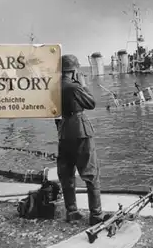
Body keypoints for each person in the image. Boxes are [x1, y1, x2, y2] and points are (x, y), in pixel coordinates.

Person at [55, 54, 106, 225]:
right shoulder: (74, 87)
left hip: (63, 132)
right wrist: (83, 86)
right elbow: (91, 104)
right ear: (75, 69)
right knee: (91, 174)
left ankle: (72, 212)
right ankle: (96, 215)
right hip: (80, 131)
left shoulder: (54, 86)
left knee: (67, 174)